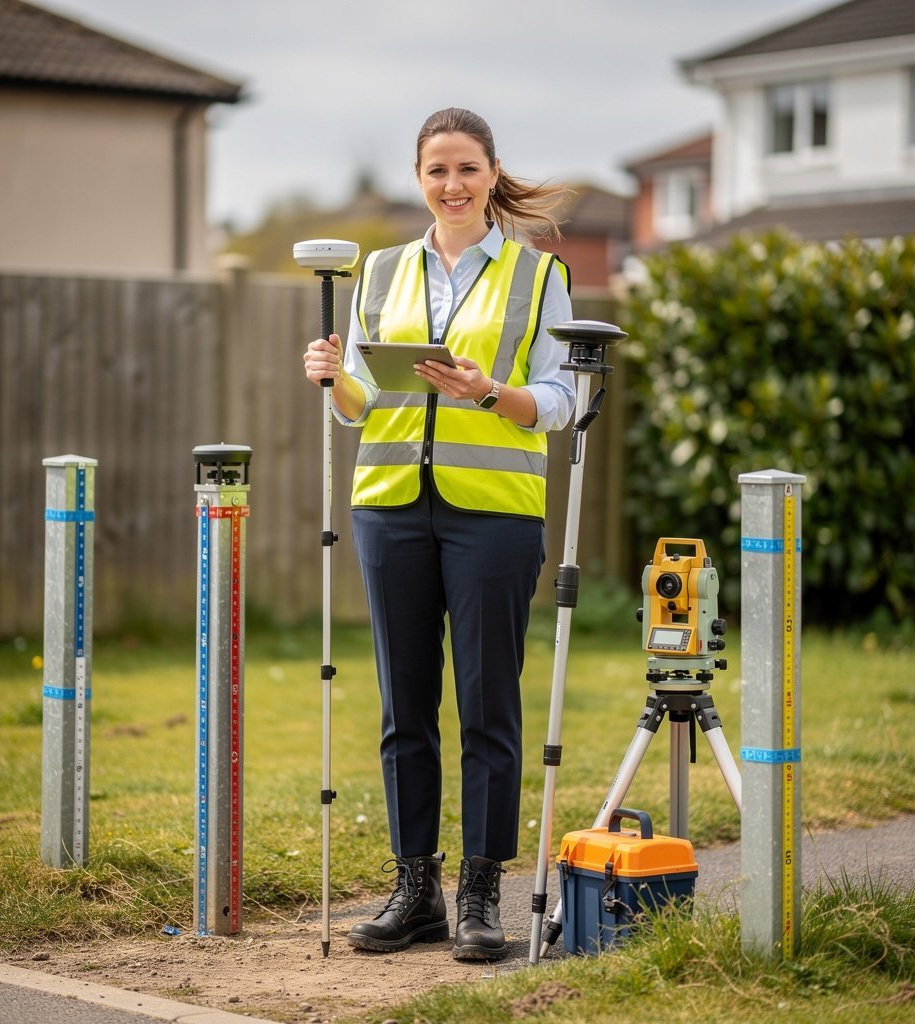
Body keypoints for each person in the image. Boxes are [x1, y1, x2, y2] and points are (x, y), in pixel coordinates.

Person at [302, 106, 575, 962]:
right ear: (418, 179)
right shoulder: (379, 272)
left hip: (493, 515)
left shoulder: (539, 277)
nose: (451, 186)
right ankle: (415, 887)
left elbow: (563, 402)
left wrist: (487, 393)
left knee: (489, 704)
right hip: (388, 508)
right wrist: (329, 378)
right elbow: (361, 405)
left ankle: (483, 893)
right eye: (436, 171)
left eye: (466, 169)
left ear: (493, 171)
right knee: (402, 708)